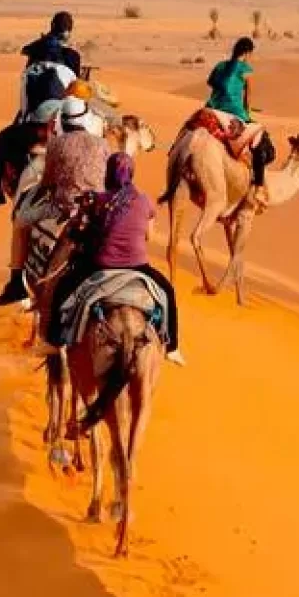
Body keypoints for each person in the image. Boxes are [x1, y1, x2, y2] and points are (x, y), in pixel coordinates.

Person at [55, 156, 184, 431]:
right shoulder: (144, 201)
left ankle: (54, 338)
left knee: (63, 287)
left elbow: (87, 230)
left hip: (100, 266)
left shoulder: (100, 200)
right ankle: (172, 346)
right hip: (138, 266)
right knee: (169, 292)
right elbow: (149, 236)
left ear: (109, 175)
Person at [0, 95, 107, 305]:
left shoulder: (57, 144)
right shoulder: (102, 144)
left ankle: (17, 282)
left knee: (19, 221)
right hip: (97, 207)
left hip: (63, 208)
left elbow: (47, 181)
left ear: (62, 121)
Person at [0, 11, 83, 206]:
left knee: (2, 139)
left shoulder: (34, 54)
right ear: (70, 31)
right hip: (62, 127)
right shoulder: (73, 57)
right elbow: (77, 92)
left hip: (34, 130)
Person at [205, 37, 275, 199]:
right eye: (251, 54)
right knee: (259, 141)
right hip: (234, 111)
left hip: (211, 108)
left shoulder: (220, 66)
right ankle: (258, 186)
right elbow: (248, 95)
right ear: (247, 53)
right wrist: (247, 113)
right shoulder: (245, 68)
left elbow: (212, 84)